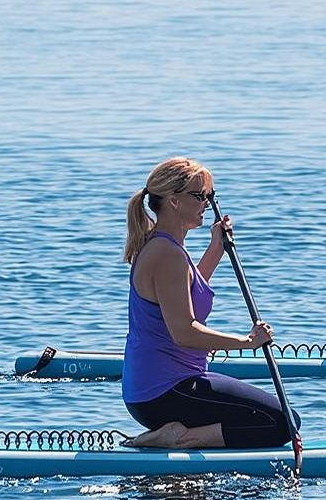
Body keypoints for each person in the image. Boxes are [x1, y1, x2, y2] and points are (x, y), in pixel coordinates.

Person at [121, 156, 299, 449]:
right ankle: (178, 438)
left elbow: (184, 295)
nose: (207, 203)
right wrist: (247, 341)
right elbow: (185, 332)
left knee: (284, 419)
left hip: (158, 389)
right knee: (283, 424)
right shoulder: (167, 254)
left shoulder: (166, 246)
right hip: (164, 392)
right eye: (200, 196)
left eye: (210, 196)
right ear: (175, 201)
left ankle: (179, 433)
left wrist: (216, 248)